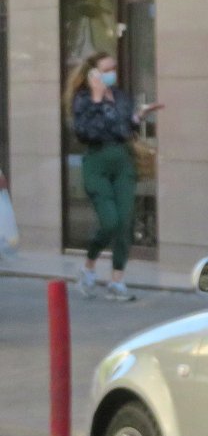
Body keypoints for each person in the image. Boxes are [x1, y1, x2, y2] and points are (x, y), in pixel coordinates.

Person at [66, 51, 163, 300]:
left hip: (123, 161)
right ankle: (89, 266)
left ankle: (117, 281)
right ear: (93, 73)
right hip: (97, 162)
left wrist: (138, 116)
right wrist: (97, 100)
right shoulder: (83, 99)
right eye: (106, 69)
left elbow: (122, 128)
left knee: (125, 222)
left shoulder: (120, 96)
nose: (112, 73)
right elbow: (85, 133)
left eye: (113, 68)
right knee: (110, 221)